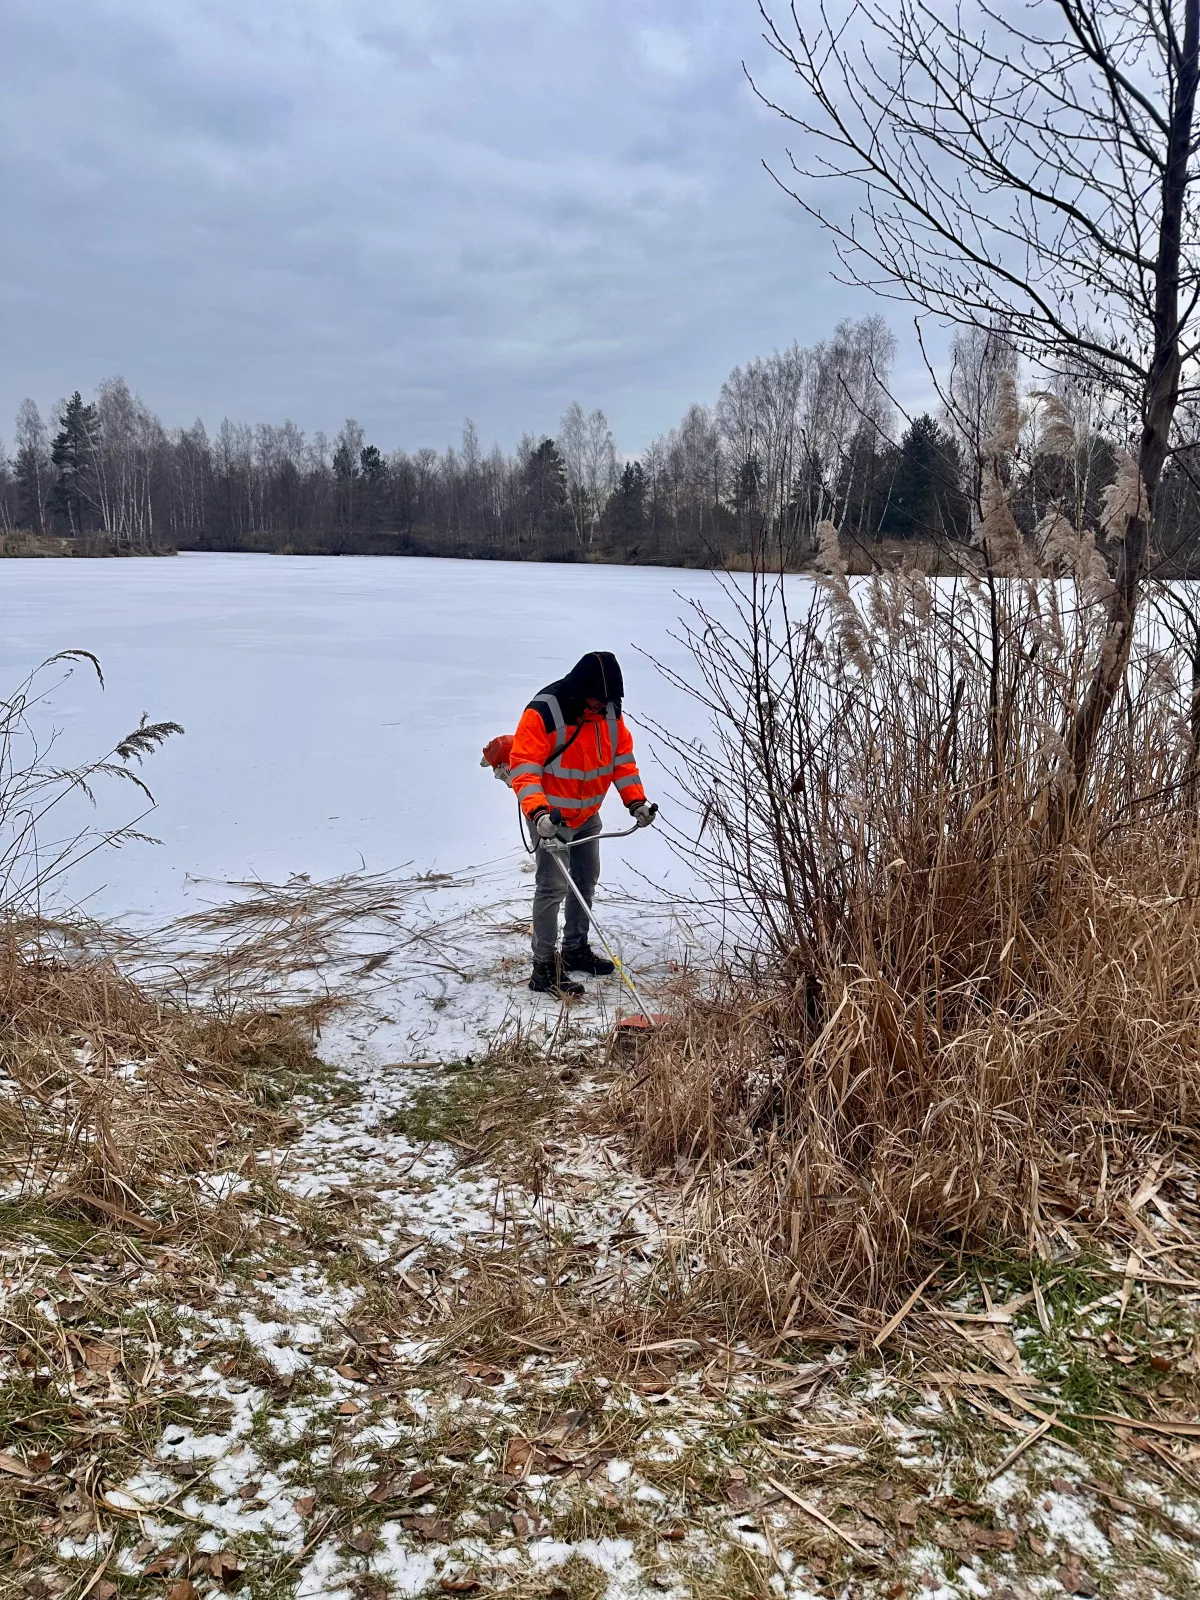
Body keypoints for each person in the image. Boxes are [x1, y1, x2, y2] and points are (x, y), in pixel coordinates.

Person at [509, 651, 656, 995]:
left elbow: (622, 761)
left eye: (607, 701)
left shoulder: (608, 713)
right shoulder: (545, 713)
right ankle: (544, 967)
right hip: (552, 817)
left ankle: (575, 949)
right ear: (580, 690)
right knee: (553, 887)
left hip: (588, 814)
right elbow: (525, 767)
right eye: (596, 701)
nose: (601, 707)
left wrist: (636, 802)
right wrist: (538, 813)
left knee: (586, 879)